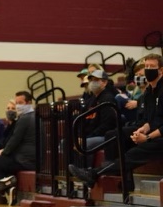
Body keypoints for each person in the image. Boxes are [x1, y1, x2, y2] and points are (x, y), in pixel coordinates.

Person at [69, 53, 163, 192]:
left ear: (161, 70)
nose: (148, 69)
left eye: (152, 66)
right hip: (152, 130)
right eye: (146, 66)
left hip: (159, 136)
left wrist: (147, 137)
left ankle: (95, 173)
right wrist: (141, 131)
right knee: (116, 135)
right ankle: (123, 181)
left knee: (132, 153)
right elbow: (151, 120)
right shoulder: (149, 91)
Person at [0, 91, 37, 204]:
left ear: (29, 102)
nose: (18, 106)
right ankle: (1, 187)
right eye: (17, 103)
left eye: (20, 103)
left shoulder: (25, 118)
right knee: (0, 162)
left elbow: (15, 140)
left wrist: (4, 152)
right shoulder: (34, 116)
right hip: (31, 159)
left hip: (25, 161)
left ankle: (6, 189)